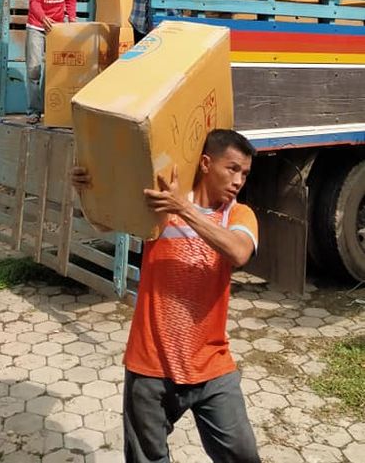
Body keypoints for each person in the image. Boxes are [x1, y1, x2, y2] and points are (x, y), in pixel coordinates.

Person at [71, 128, 261, 463]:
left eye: (244, 173)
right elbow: (104, 223)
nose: (238, 181)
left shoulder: (237, 215)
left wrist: (183, 209)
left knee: (243, 456)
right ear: (206, 163)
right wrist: (86, 191)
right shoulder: (162, 207)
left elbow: (239, 252)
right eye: (232, 168)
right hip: (150, 364)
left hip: (211, 365)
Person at [25, 0, 77, 124]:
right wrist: (43, 17)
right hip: (36, 26)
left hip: (58, 29)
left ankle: (51, 110)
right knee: (34, 70)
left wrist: (71, 18)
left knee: (55, 69)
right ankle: (33, 111)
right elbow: (34, 2)